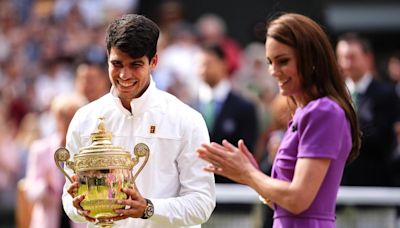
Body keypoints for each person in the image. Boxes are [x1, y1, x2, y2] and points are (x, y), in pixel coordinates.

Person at [197, 13, 361, 228]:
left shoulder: (323, 111)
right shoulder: (306, 111)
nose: (273, 71)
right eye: (270, 62)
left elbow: (298, 200)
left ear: (310, 58)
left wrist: (249, 173)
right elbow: (286, 204)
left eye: (283, 61)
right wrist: (250, 174)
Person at [61, 14, 215, 228]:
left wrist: (148, 209)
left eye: (135, 65)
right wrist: (78, 207)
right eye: (117, 64)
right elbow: (69, 199)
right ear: (107, 58)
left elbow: (202, 203)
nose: (124, 75)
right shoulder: (84, 119)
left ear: (153, 62)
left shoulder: (187, 120)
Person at [196, 42, 258, 184]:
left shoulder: (244, 107)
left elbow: (247, 151)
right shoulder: (187, 106)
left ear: (223, 64)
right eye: (199, 65)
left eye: (208, 64)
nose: (202, 70)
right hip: (195, 187)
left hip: (231, 188)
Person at [25, 94, 87, 228]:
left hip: (79, 222)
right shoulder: (40, 149)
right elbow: (30, 191)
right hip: (48, 222)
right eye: (63, 116)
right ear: (56, 118)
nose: (67, 121)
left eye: (72, 116)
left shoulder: (87, 151)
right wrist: (45, 187)